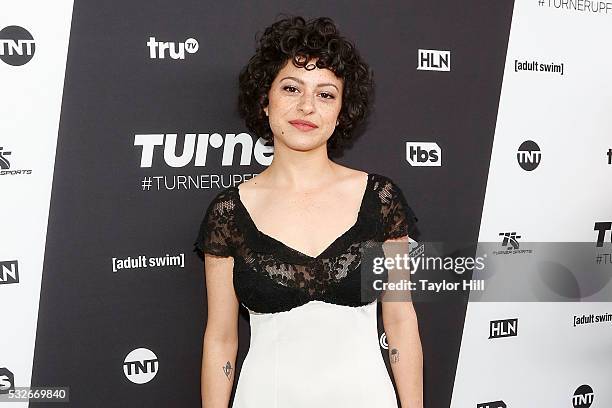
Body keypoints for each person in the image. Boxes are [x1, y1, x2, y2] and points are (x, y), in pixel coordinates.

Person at [195, 15, 423, 408]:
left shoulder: (381, 199)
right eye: (291, 88)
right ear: (265, 100)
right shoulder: (228, 213)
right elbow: (221, 338)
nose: (306, 106)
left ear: (341, 111)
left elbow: (401, 324)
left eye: (325, 94)